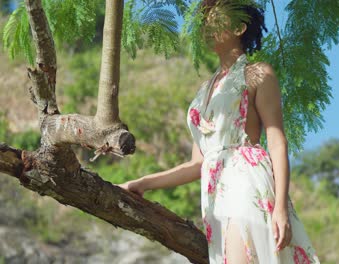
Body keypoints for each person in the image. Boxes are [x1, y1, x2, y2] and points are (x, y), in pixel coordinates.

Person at [117, 0, 320, 263]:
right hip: (214, 199)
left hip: (246, 182)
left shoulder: (257, 74)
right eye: (205, 20)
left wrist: (280, 207)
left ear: (239, 27)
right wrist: (141, 184)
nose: (206, 26)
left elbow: (277, 142)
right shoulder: (204, 90)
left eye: (216, 18)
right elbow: (197, 164)